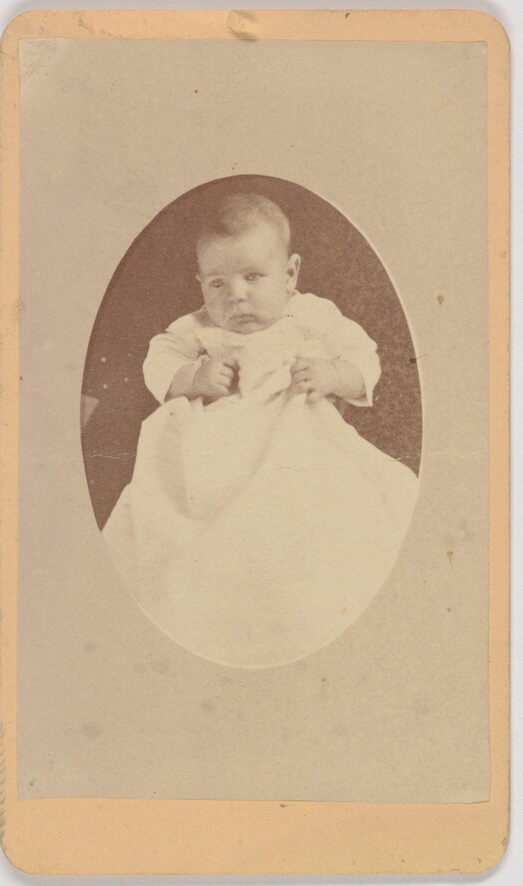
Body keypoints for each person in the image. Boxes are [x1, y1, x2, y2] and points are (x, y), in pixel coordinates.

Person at [103, 192, 418, 668]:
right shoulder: (197, 326)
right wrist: (193, 379)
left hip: (296, 435)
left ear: (290, 274)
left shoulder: (309, 314)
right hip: (216, 448)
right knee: (182, 517)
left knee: (328, 510)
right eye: (217, 283)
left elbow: (362, 355)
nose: (237, 296)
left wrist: (333, 375)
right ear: (201, 284)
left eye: (253, 277)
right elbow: (160, 356)